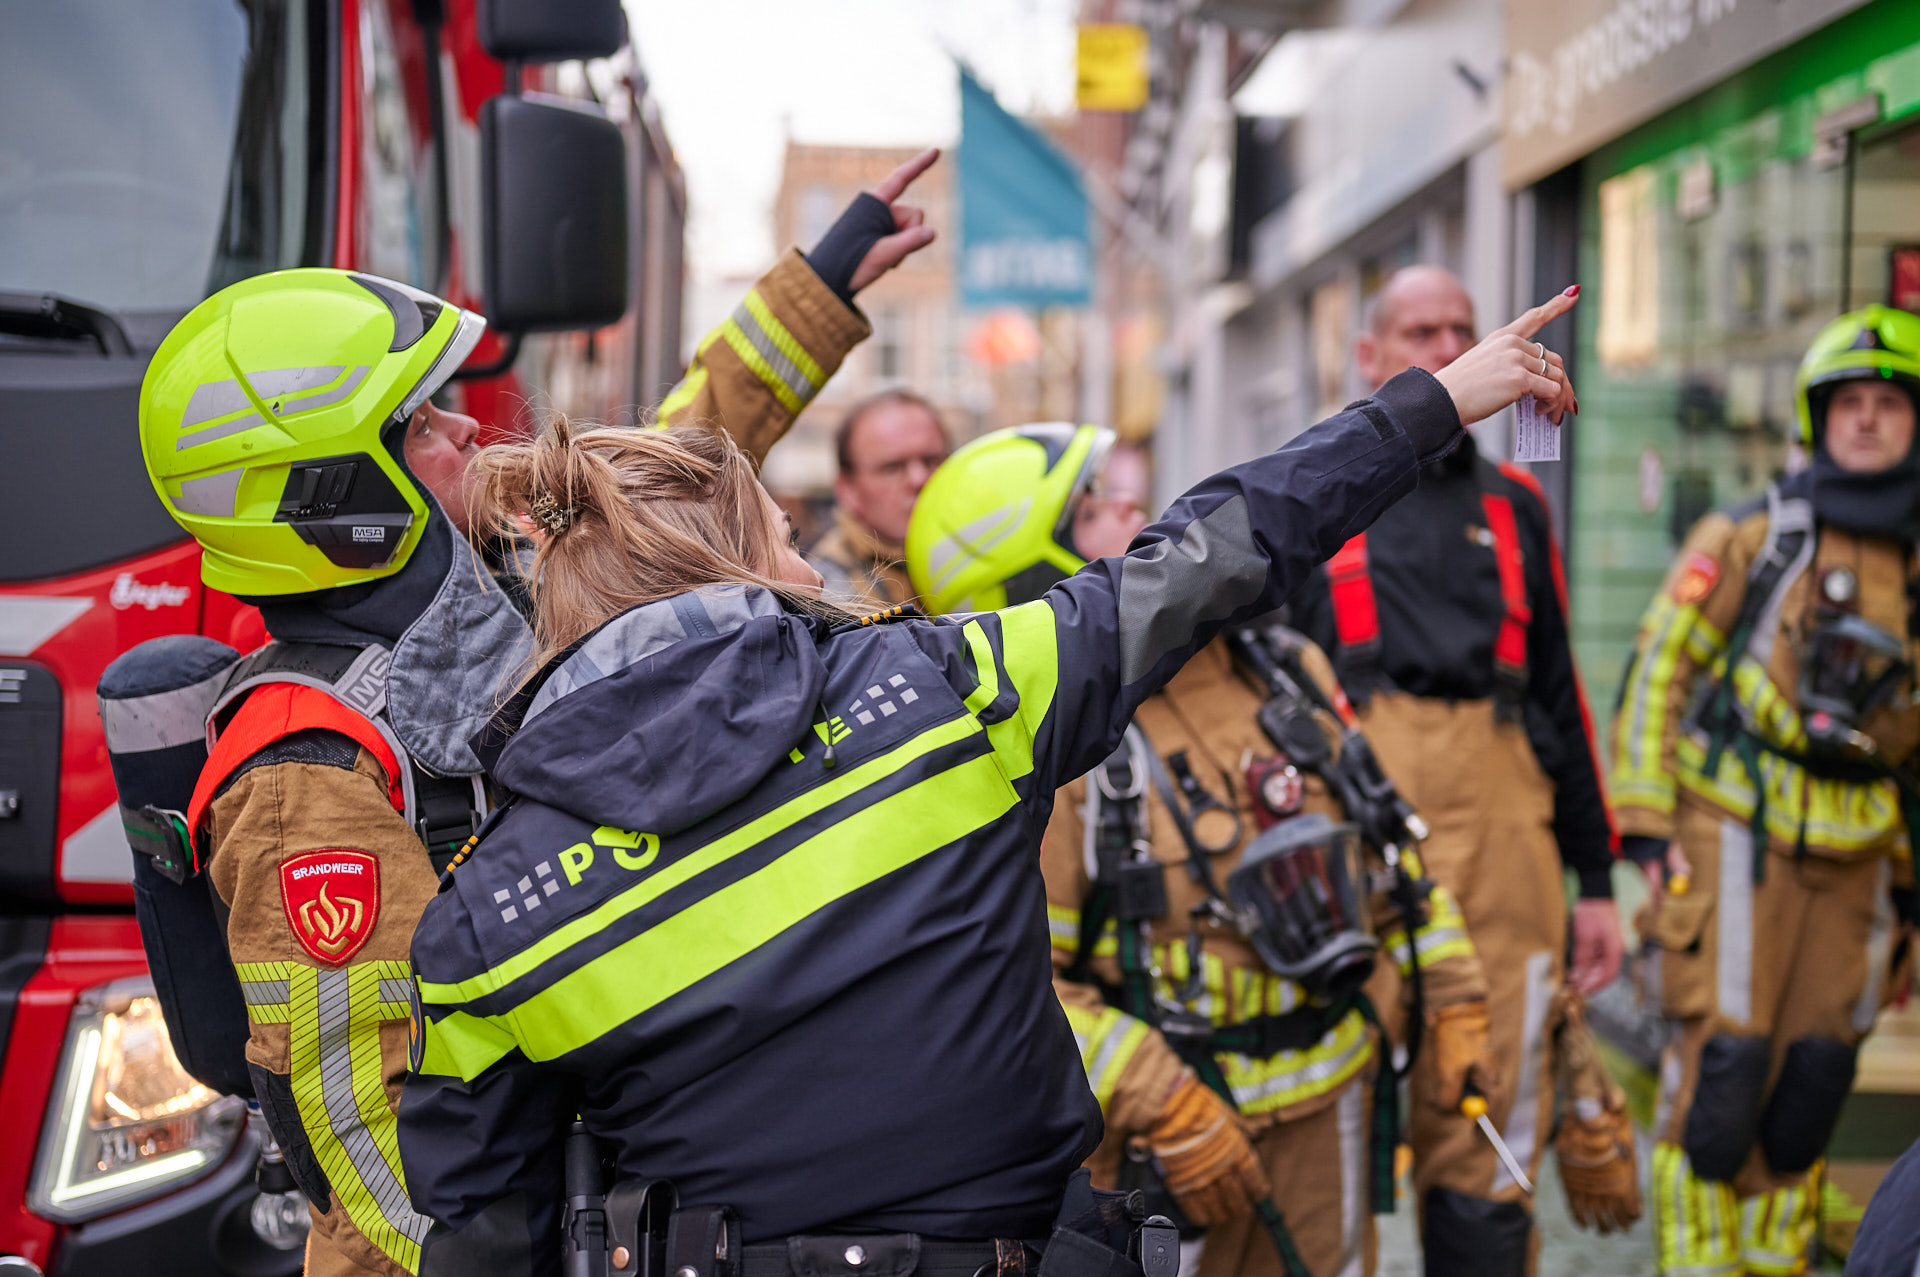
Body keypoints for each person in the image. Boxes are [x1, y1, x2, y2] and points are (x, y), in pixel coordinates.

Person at [394, 293, 1580, 1275]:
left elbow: (485, 1234)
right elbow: (1217, 546)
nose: (815, 562)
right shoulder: (951, 689)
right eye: (782, 535)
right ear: (734, 564)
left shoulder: (480, 917)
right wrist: (1429, 407)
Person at [128, 154, 944, 1277]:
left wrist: (819, 284)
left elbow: (669, 463)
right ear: (340, 496)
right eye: (421, 422)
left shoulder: (494, 579)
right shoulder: (304, 769)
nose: (468, 428)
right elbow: (375, 1147)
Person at [903, 421, 1503, 1277]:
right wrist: (1163, 1095)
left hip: (1328, 1129)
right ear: (1034, 571)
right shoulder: (1039, 757)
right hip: (1160, 1170)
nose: (1136, 506)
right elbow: (1006, 989)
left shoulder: (1289, 670)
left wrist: (1455, 996)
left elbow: (1388, 855)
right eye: (1096, 505)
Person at [1285, 267, 1626, 1274]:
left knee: (1497, 1108)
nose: (1443, 341)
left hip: (1508, 847)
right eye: (1419, 327)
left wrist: (1598, 880)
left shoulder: (1519, 505)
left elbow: (1563, 698)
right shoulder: (1312, 491)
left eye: (1461, 327)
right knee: (1334, 1101)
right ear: (1370, 357)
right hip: (1352, 834)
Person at [1610, 305, 1920, 1277]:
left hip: (1862, 862)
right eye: (1849, 403)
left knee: (1811, 1092)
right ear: (1815, 416)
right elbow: (1660, 667)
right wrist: (1647, 827)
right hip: (1733, 840)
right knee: (1720, 1086)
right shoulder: (1758, 533)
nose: (1867, 420)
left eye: (1889, 403)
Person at [810, 388, 952, 606]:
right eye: (893, 467)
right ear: (847, 489)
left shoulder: (984, 548)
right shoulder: (825, 594)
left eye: (931, 460)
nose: (919, 478)